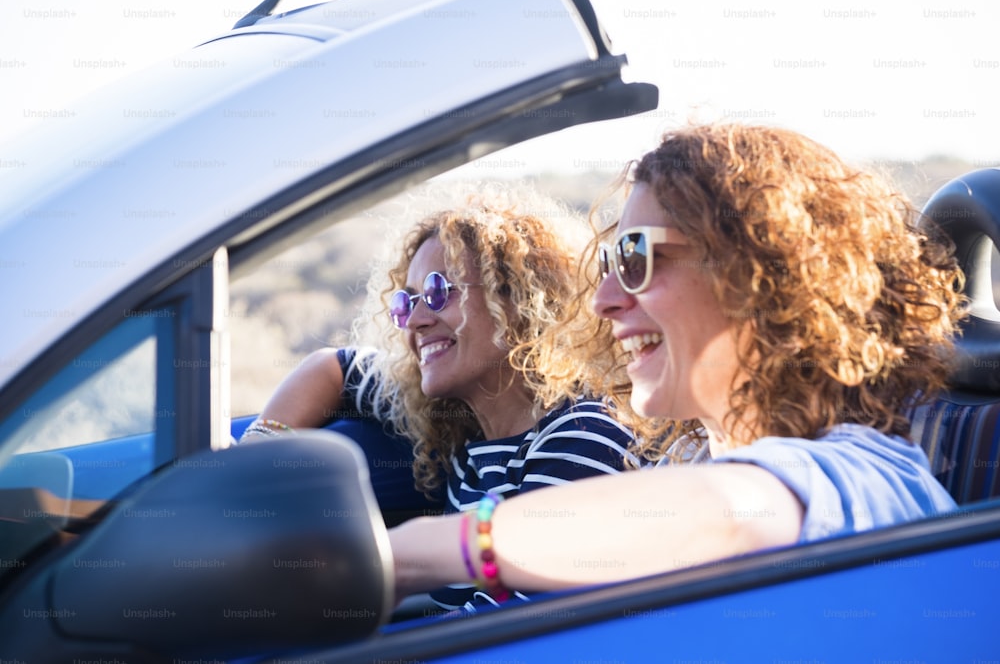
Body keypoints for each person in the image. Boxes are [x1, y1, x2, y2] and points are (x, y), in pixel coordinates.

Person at [388, 122, 967, 603]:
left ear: (761, 275)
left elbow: (730, 514)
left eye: (638, 257)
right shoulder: (682, 461)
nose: (604, 299)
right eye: (611, 261)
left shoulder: (869, 477)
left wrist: (414, 554)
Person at [240, 184, 638, 608]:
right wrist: (254, 454)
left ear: (517, 298)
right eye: (404, 303)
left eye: (437, 291)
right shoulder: (458, 419)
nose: (414, 321)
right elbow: (332, 366)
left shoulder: (582, 437)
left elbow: (505, 633)